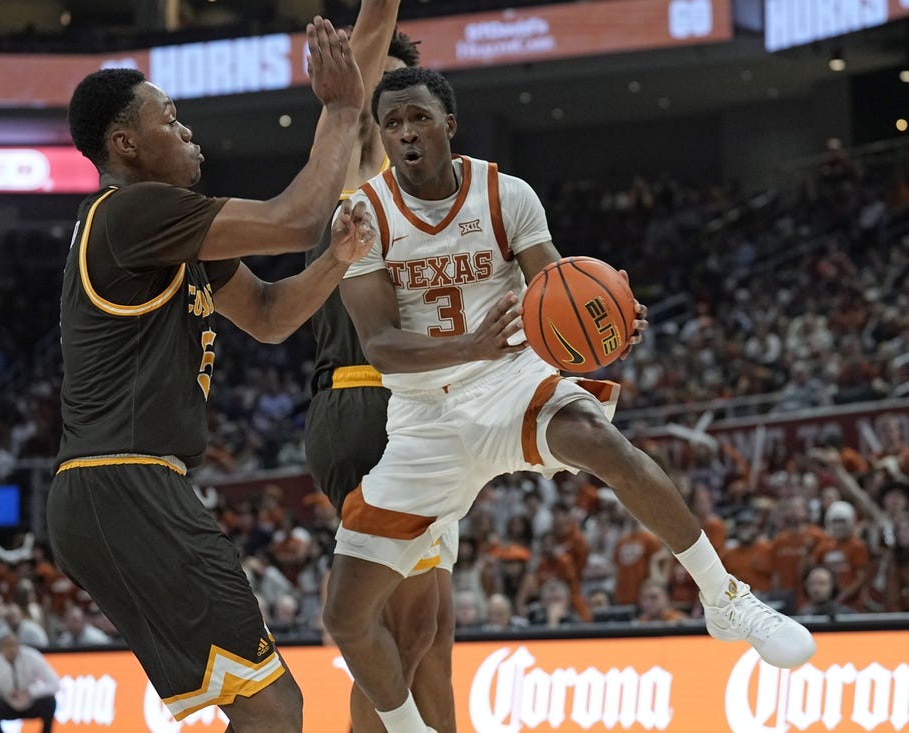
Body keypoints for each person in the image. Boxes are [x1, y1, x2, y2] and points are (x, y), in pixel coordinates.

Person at [324, 65, 817, 733]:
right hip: (425, 416)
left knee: (599, 438)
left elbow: (554, 290)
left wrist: (607, 320)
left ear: (449, 124)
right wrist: (471, 344)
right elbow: (380, 343)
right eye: (393, 123)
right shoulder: (365, 214)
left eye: (417, 117)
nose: (406, 132)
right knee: (345, 616)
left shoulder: (506, 194)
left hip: (508, 382)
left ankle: (725, 596)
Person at [45, 16, 371, 732]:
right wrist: (345, 109)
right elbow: (295, 217)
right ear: (125, 145)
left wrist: (334, 263)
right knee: (274, 707)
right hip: (124, 481)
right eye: (171, 119)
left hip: (118, 487)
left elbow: (267, 312)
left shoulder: (166, 233)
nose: (188, 131)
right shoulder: (132, 212)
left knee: (255, 706)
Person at [302, 4, 456, 731]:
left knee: (431, 637)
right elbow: (355, 93)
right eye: (380, 95)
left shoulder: (433, 206)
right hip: (373, 408)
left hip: (422, 411)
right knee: (394, 632)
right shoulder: (352, 162)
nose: (394, 114)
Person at [0, 633, 60, 733]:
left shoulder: (33, 657)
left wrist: (30, 692)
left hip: (31, 702)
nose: (11, 649)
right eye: (7, 645)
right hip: (8, 705)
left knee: (49, 701)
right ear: (1, 648)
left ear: (19, 644)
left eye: (14, 644)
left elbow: (55, 684)